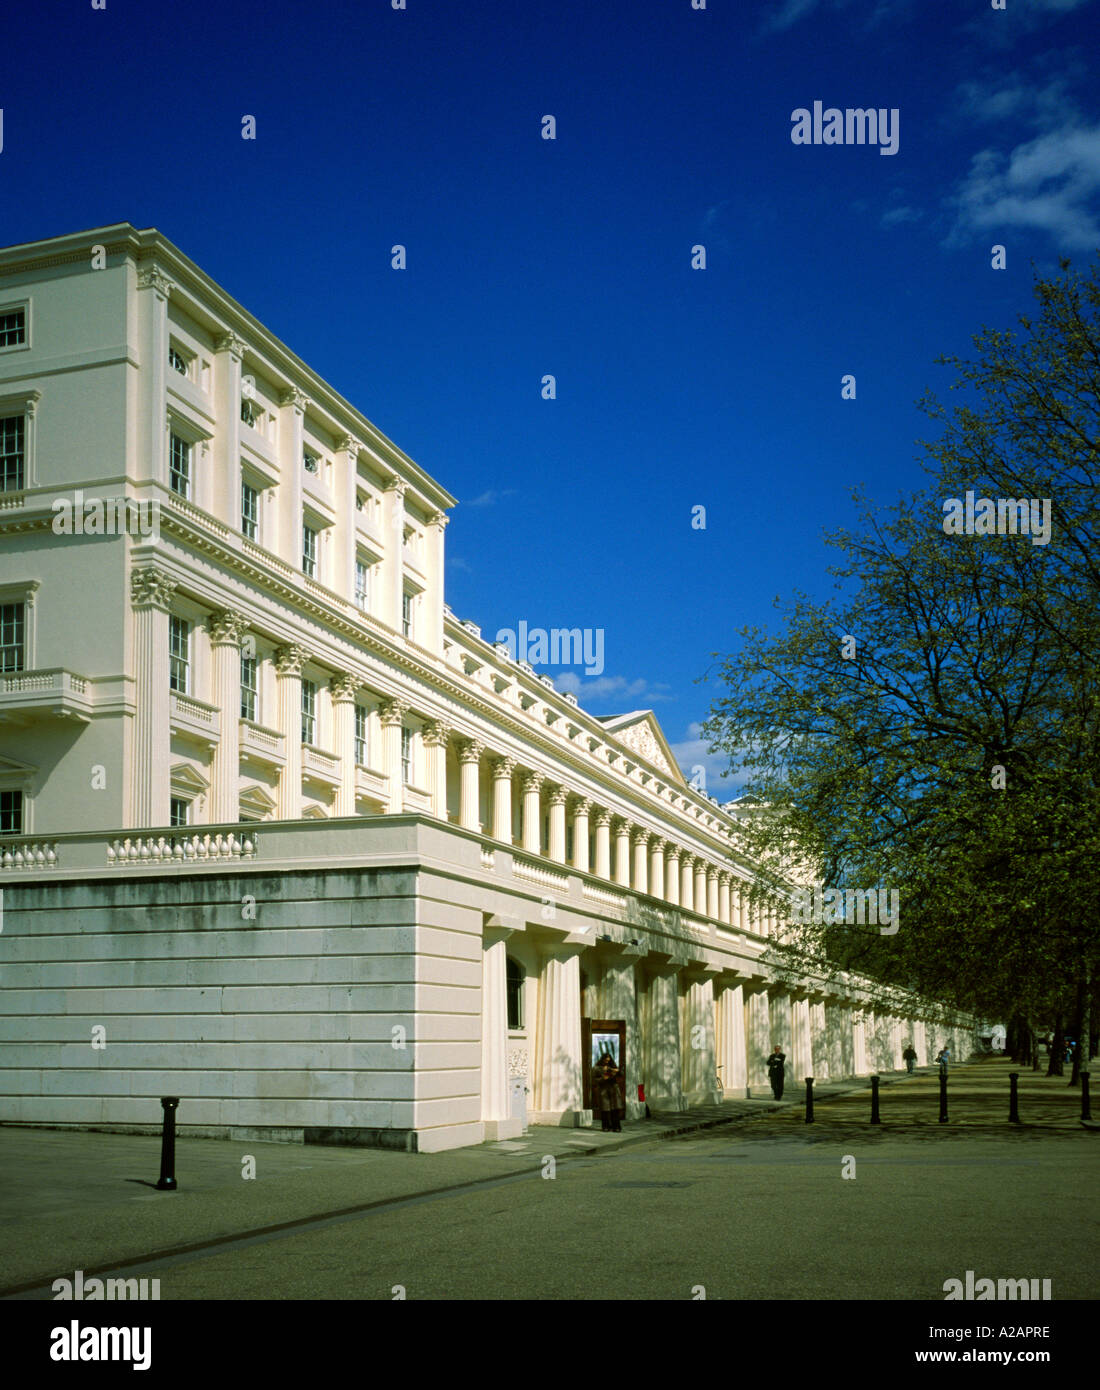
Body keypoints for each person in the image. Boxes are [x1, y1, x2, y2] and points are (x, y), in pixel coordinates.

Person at [593, 1052, 623, 1132]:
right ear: (602, 1060)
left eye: (608, 1060)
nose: (607, 1062)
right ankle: (606, 1126)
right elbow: (594, 1080)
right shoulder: (596, 1068)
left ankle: (616, 1126)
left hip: (614, 1089)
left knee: (615, 1109)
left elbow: (621, 1075)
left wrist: (615, 1071)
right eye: (606, 1060)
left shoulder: (613, 1067)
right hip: (604, 1090)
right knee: (605, 1110)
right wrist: (603, 1078)